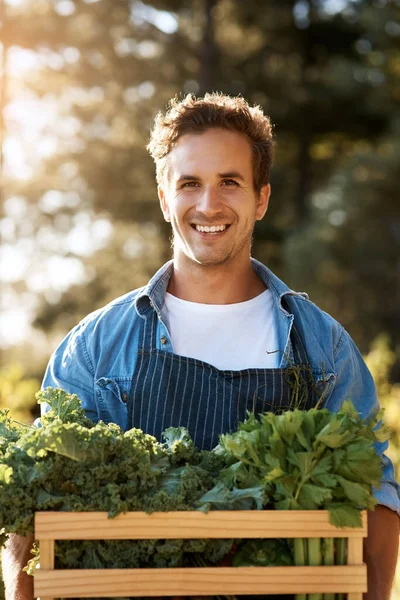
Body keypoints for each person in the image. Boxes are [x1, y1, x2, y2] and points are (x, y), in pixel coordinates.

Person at [2, 93, 399, 600]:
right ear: (166, 198)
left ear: (261, 198)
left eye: (229, 182)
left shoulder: (324, 348)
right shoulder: (96, 347)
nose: (208, 205)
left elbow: (375, 495)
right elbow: (35, 500)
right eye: (190, 183)